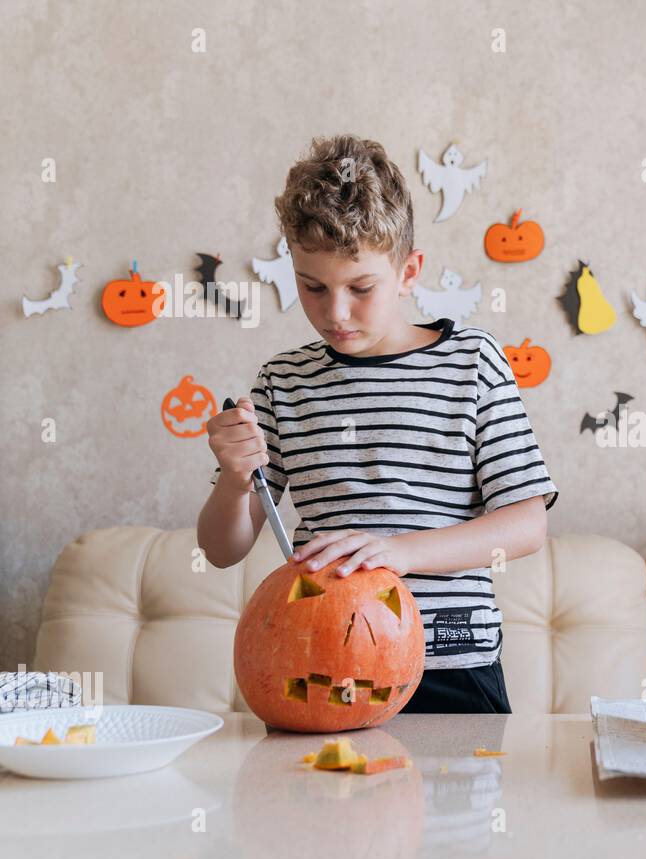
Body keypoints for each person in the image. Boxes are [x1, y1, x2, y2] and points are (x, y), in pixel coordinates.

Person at [198, 134, 558, 714]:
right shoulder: (282, 381)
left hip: (452, 665)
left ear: (409, 271)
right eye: (312, 287)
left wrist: (398, 552)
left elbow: (524, 526)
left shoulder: (473, 361)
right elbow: (220, 550)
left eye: (360, 288)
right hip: (318, 665)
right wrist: (235, 480)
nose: (334, 313)